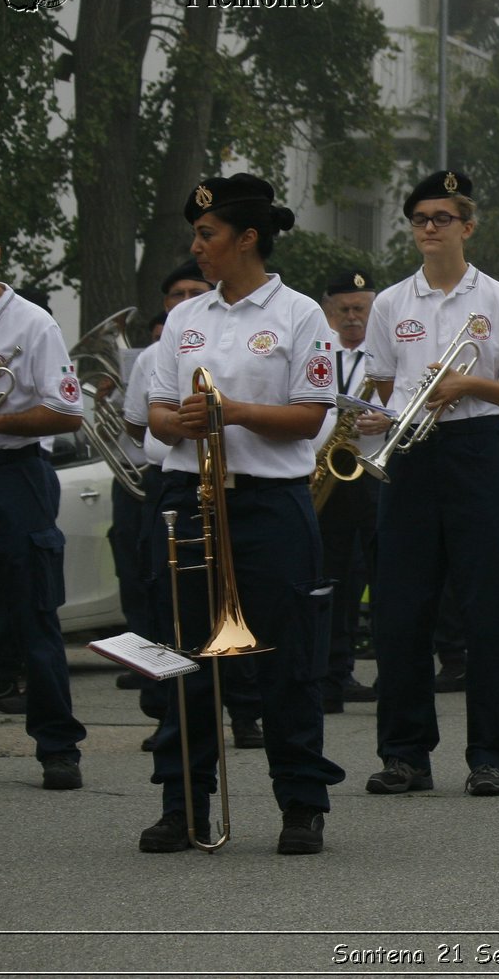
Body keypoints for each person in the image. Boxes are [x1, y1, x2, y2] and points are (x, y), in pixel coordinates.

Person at [140, 174, 345, 853]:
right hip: (191, 497)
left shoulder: (297, 314)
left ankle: (301, 801)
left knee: (288, 658)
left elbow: (310, 417)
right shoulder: (186, 317)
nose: (197, 248)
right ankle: (184, 802)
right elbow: (160, 411)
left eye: (209, 235)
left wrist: (232, 411)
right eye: (197, 236)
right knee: (184, 655)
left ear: (247, 238)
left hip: (267, 500)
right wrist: (184, 420)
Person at [358, 169, 499, 799]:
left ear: (467, 226)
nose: (429, 229)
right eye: (419, 220)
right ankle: (405, 753)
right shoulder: (390, 303)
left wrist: (464, 387)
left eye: (441, 218)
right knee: (400, 611)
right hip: (411, 454)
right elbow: (384, 383)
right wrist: (415, 405)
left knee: (485, 607)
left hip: (476, 450)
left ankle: (492, 755)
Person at [120, 261, 255, 751]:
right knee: (168, 599)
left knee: (232, 601)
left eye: (193, 290)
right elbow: (140, 422)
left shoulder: (238, 341)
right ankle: (167, 715)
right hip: (172, 479)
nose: (184, 300)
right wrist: (175, 427)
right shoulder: (155, 354)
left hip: (233, 478)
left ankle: (244, 713)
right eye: (175, 293)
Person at [0, 213, 87, 790]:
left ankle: (57, 745)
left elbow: (67, 411)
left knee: (35, 610)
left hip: (13, 473)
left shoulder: (31, 322)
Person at [315, 269, 379, 714]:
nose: (353, 318)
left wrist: (386, 418)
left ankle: (366, 670)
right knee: (330, 579)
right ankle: (329, 676)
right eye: (345, 310)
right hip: (326, 479)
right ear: (328, 310)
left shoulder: (383, 355)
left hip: (372, 475)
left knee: (374, 576)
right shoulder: (316, 352)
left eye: (361, 309)